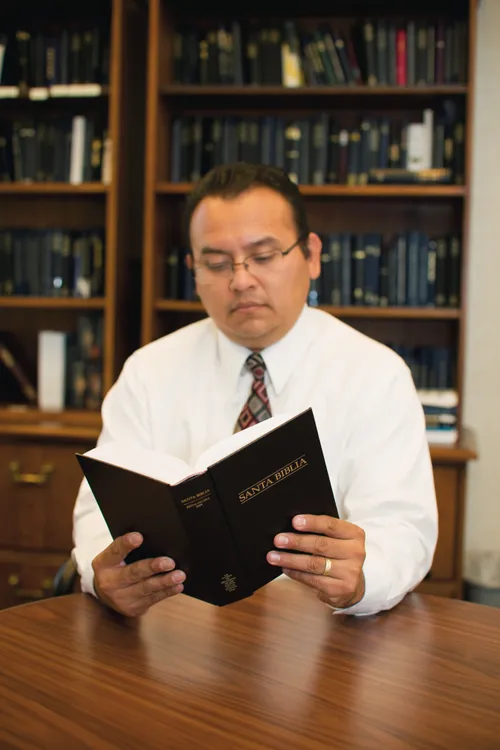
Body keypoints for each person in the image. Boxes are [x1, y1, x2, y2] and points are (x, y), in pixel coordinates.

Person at [72, 162, 438, 618]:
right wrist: (102, 575)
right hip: (177, 632)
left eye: (263, 257)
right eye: (216, 262)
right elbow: (97, 515)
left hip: (323, 640)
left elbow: (404, 528)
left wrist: (365, 576)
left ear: (311, 255)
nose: (240, 280)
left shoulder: (375, 374)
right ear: (192, 268)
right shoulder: (148, 371)